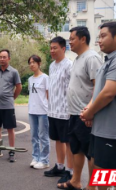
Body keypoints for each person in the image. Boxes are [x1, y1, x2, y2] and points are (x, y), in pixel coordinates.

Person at [57, 27, 102, 190]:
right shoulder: (78, 59)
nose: (69, 42)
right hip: (75, 114)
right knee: (77, 148)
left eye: (72, 38)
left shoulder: (92, 58)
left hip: (86, 115)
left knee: (92, 153)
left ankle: (92, 186)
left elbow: (99, 88)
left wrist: (90, 112)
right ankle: (76, 181)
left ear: (83, 39)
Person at [81, 22, 116, 190]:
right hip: (99, 129)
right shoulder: (106, 62)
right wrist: (90, 111)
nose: (99, 40)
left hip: (110, 132)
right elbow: (98, 92)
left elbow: (109, 93)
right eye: (99, 36)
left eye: (103, 36)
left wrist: (90, 113)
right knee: (97, 167)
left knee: (104, 174)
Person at [44, 37, 73, 183]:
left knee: (67, 141)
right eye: (51, 48)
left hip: (65, 111)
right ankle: (60, 166)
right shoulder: (51, 65)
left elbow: (72, 89)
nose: (52, 51)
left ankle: (70, 171)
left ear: (63, 48)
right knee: (57, 140)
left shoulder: (69, 65)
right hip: (53, 110)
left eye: (55, 48)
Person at [0, 49, 22, 162]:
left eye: (4, 57)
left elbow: (19, 87)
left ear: (9, 58)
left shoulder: (14, 72)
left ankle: (11, 151)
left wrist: (12, 98)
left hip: (8, 106)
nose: (2, 59)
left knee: (10, 129)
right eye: (0, 57)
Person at [28, 54, 50, 169]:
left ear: (39, 64)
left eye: (34, 62)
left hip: (43, 112)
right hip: (32, 111)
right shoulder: (30, 79)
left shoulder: (45, 78)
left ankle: (45, 160)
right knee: (33, 136)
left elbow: (48, 95)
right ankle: (35, 157)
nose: (31, 64)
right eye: (30, 63)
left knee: (43, 136)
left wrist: (48, 109)